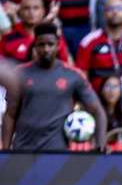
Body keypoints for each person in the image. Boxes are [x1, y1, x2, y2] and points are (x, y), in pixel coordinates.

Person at [1, 22, 106, 151]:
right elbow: (10, 114)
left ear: (58, 45)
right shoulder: (19, 74)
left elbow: (97, 110)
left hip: (58, 151)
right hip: (24, 149)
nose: (46, 49)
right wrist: (5, 149)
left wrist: (100, 144)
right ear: (35, 46)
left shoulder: (73, 75)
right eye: (41, 45)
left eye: (50, 44)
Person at [75, 0, 122, 91]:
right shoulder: (89, 41)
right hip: (97, 96)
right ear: (104, 14)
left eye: (119, 9)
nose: (115, 12)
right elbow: (81, 73)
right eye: (110, 9)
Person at [0, 0, 67, 63]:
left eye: (36, 8)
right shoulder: (9, 38)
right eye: (26, 8)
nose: (31, 12)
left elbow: (64, 63)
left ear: (43, 11)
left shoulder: (53, 37)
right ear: (19, 12)